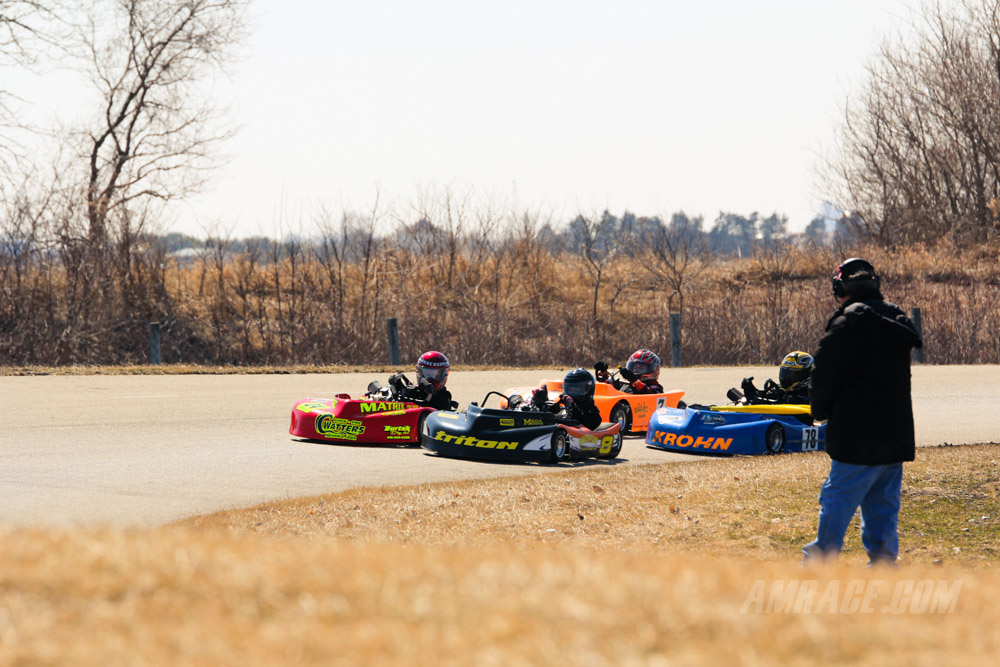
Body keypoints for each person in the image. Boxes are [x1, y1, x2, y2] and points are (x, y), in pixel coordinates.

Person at [802, 258, 922, 565]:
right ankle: (883, 571)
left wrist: (818, 410)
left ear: (841, 290)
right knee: (882, 508)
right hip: (895, 437)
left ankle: (817, 567)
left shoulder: (846, 325)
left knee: (836, 502)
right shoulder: (897, 321)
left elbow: (823, 376)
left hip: (856, 438)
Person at [531, 368, 602, 430]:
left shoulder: (593, 414)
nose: (572, 394)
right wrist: (540, 403)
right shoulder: (563, 409)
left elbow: (588, 424)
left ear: (588, 390)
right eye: (570, 390)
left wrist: (573, 407)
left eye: (576, 390)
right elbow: (550, 417)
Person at [739, 351, 814, 405]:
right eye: (785, 372)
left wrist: (786, 398)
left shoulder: (813, 394)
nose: (786, 377)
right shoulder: (782, 391)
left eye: (793, 374)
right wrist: (753, 394)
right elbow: (772, 400)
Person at [388, 350, 454, 410]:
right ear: (419, 372)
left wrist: (431, 394)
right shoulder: (414, 391)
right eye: (426, 374)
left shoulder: (444, 397)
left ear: (444, 374)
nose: (429, 379)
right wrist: (395, 386)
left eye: (434, 375)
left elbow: (441, 408)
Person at [594, 349, 664, 394]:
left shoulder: (655, 387)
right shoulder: (625, 384)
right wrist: (603, 375)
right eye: (635, 367)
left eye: (641, 368)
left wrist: (635, 381)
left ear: (654, 370)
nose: (636, 371)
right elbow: (609, 390)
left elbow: (650, 395)